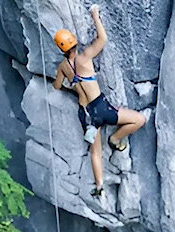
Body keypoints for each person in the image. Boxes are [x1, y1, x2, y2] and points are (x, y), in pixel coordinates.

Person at [52, 5, 146, 197]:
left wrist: (71, 87)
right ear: (75, 44)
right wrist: (95, 15)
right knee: (139, 120)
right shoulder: (85, 57)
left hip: (86, 114)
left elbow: (56, 86)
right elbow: (102, 39)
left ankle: (99, 186)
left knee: (95, 152)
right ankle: (115, 138)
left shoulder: (63, 66)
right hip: (101, 108)